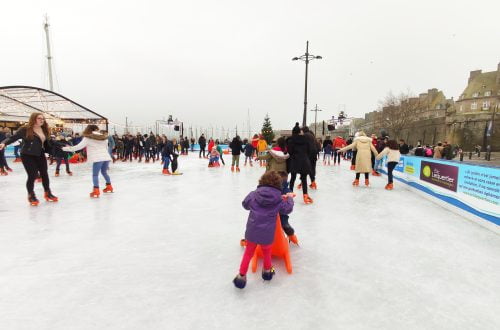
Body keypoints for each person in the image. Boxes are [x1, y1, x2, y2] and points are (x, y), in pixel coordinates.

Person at [233, 171, 294, 289]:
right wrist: (289, 198)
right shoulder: (278, 199)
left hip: (252, 231)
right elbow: (287, 209)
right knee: (267, 252)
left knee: (248, 253)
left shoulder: (254, 194)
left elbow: (245, 204)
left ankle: (241, 276)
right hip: (267, 233)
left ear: (262, 181)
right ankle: (267, 272)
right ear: (278, 184)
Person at [0, 113, 58, 205]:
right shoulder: (25, 129)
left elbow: (47, 142)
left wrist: (54, 149)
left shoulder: (44, 129)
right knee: (32, 175)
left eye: (43, 119)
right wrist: (4, 143)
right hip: (27, 155)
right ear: (33, 119)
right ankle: (31, 195)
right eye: (39, 118)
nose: (41, 120)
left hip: (40, 153)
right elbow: (13, 137)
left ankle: (48, 193)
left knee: (44, 174)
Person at [62, 125, 113, 197]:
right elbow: (106, 148)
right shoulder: (104, 137)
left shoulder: (88, 138)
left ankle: (96, 191)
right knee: (104, 172)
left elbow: (77, 147)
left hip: (97, 158)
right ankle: (109, 186)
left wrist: (64, 148)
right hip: (106, 157)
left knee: (95, 175)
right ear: (97, 129)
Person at [287, 123, 313, 204]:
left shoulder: (291, 140)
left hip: (295, 161)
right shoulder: (306, 139)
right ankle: (305, 195)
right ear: (299, 132)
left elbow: (290, 152)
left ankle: (290, 194)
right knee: (304, 179)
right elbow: (309, 150)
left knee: (293, 178)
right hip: (304, 161)